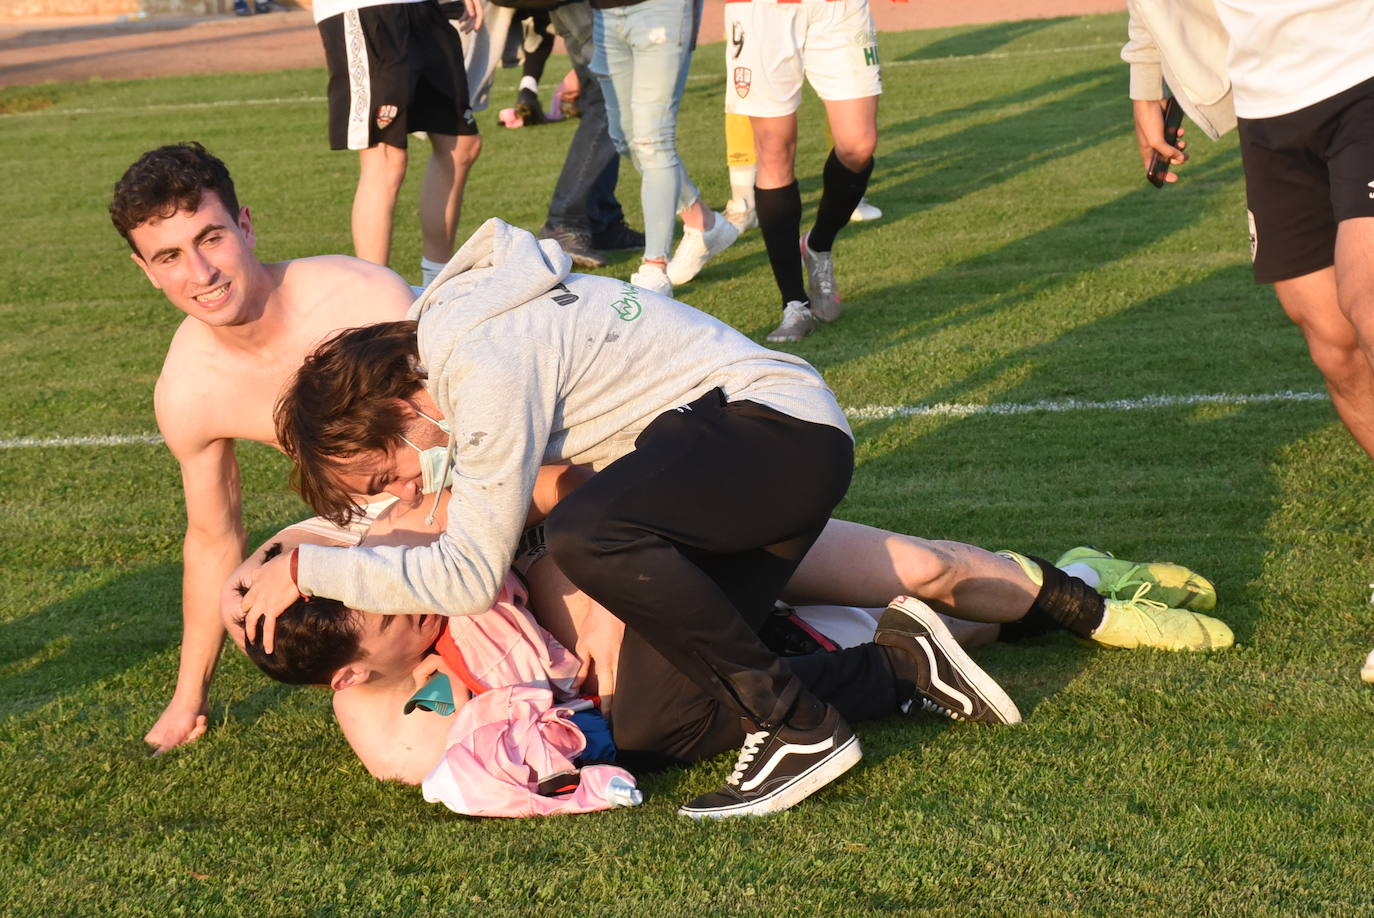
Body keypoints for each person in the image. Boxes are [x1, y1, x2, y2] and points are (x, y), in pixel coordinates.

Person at [240, 218, 1232, 818]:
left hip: (742, 456)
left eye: (383, 469)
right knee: (689, 690)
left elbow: (530, 533)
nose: (393, 489)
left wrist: (339, 568)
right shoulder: (458, 383)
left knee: (921, 573)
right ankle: (1051, 603)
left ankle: (1072, 591)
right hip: (691, 501)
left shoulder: (477, 379)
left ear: (394, 415)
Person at [224, 492, 1021, 816]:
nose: (416, 591)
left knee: (936, 571)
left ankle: (1066, 587)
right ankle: (981, 632)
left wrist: (601, 616)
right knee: (960, 624)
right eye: (391, 607)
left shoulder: (410, 545)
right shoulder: (390, 729)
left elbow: (568, 497)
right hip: (744, 650)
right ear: (353, 672)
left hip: (700, 568)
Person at [108, 142, 417, 754]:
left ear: (245, 226)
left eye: (211, 238)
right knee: (244, 598)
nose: (200, 275)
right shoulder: (188, 388)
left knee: (406, 749)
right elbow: (213, 538)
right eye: (169, 256)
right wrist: (187, 699)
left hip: (469, 493)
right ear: (146, 270)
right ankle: (407, 663)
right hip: (374, 523)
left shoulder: (363, 298)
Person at [1122, 0, 1374, 675]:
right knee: (1335, 344)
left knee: (1368, 298)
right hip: (1268, 105)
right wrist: (1148, 79)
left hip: (1363, 62)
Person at [723, 0, 882, 342]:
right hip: (762, 11)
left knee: (859, 144)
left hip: (837, 8)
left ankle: (817, 244)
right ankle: (795, 304)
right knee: (774, 148)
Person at [312, 0, 484, 286]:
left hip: (423, 8)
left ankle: (437, 286)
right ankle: (375, 298)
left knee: (462, 146)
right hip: (365, 9)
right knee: (386, 158)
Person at [592, 0, 738, 296]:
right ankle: (702, 220)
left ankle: (654, 266)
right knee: (623, 138)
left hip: (660, 9)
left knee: (653, 140)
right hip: (603, 12)